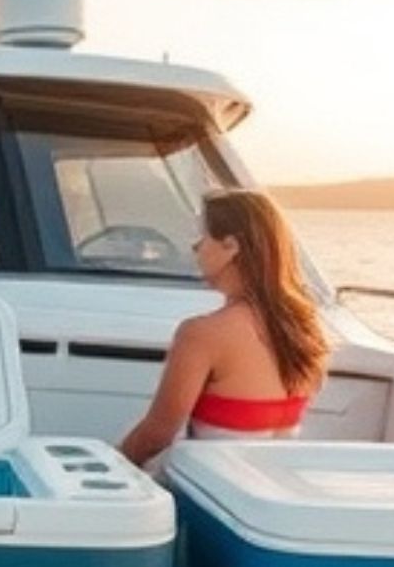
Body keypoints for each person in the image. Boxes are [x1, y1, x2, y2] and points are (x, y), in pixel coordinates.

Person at [117, 189, 330, 467]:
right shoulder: (304, 328)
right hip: (273, 488)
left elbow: (157, 435)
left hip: (215, 493)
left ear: (231, 246)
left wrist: (115, 465)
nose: (196, 248)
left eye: (203, 237)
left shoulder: (203, 334)